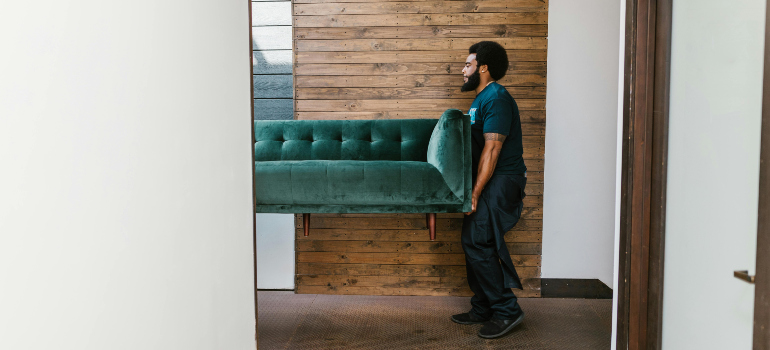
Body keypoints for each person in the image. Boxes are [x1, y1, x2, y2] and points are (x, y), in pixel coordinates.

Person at [450, 41, 528, 339]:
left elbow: (493, 150)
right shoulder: (480, 99)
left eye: (468, 64)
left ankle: (507, 309)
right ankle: (483, 306)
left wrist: (475, 191)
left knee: (478, 241)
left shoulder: (496, 97)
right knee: (473, 240)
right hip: (489, 179)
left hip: (502, 179)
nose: (463, 69)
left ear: (483, 67)